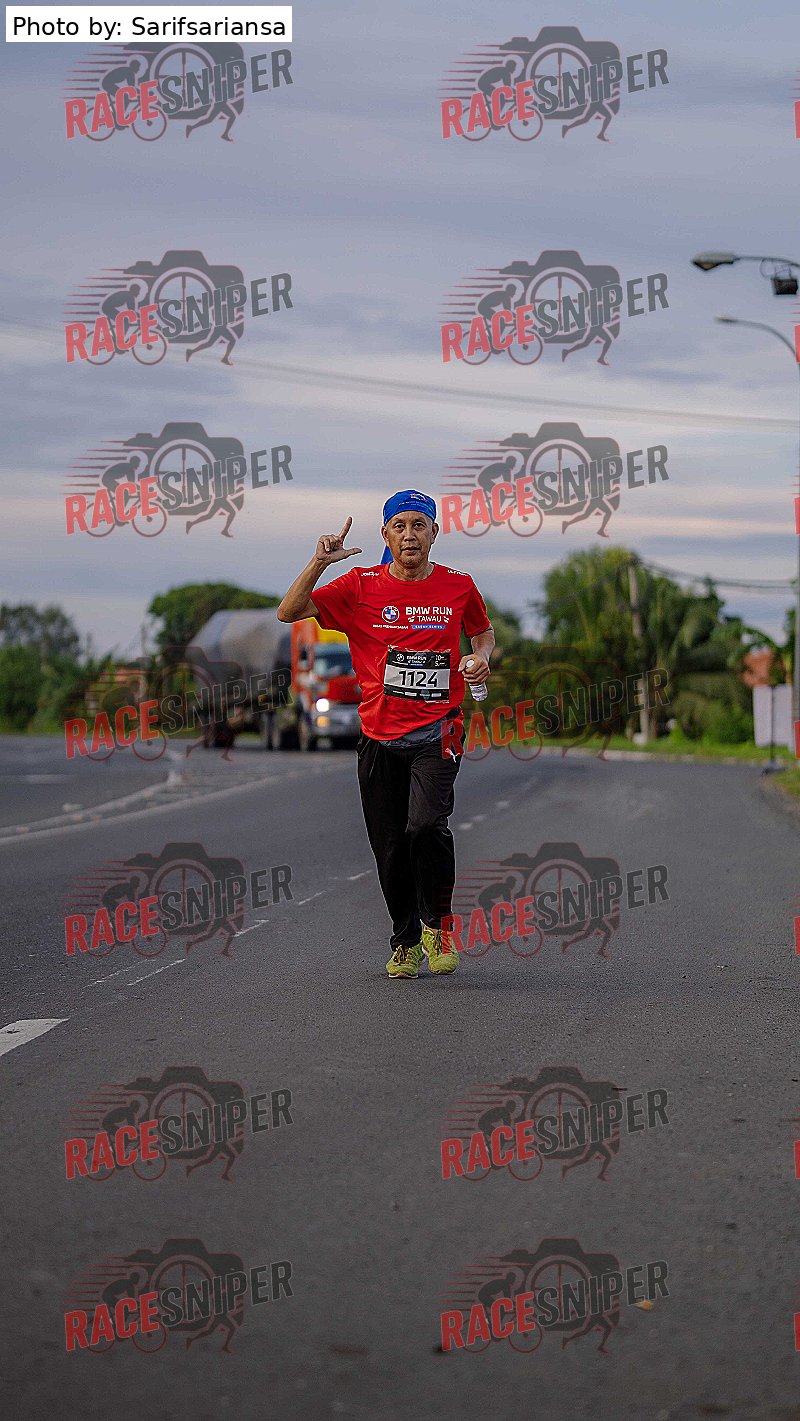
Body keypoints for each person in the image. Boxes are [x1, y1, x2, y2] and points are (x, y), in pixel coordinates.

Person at [277, 490, 495, 980]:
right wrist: (319, 562)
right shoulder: (359, 586)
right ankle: (405, 941)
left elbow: (482, 631)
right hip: (378, 736)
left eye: (419, 525)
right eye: (400, 526)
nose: (410, 535)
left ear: (435, 533)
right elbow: (288, 612)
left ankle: (438, 925)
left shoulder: (459, 586)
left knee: (426, 826)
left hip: (438, 730)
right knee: (390, 846)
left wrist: (480, 657)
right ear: (386, 535)